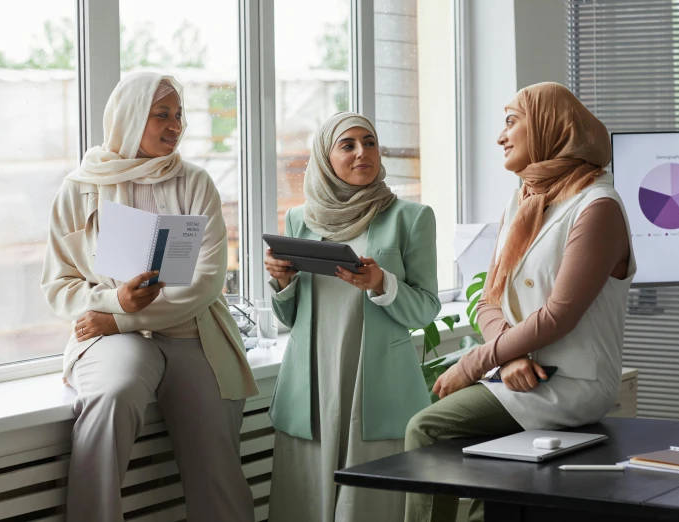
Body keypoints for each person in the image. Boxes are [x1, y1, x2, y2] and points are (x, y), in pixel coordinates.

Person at [403, 82, 636, 522]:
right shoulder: (524, 199)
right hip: (520, 373)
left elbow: (558, 316)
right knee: (465, 456)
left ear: (551, 127)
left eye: (512, 122)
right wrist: (508, 359)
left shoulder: (597, 206)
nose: (500, 136)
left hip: (571, 383)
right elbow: (487, 300)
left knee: (426, 427)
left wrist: (473, 363)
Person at [41, 72, 258, 522]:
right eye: (162, 114)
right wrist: (116, 301)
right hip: (112, 337)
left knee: (215, 452)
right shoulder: (80, 187)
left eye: (179, 115)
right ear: (129, 116)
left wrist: (120, 317)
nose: (175, 125)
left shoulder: (195, 181)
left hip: (190, 330)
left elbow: (206, 282)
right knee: (113, 395)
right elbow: (58, 285)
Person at [265, 112, 441, 522]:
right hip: (312, 381)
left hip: (376, 380)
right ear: (326, 158)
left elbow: (426, 307)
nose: (363, 152)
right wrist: (282, 282)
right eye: (348, 145)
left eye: (370, 142)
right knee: (308, 497)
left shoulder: (410, 218)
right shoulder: (299, 220)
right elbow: (291, 317)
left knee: (372, 500)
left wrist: (383, 283)